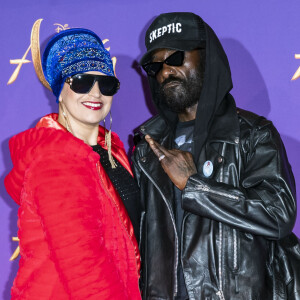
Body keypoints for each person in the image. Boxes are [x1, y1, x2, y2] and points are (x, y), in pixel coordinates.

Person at [132, 12, 298, 300]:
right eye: (155, 65)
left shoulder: (251, 134)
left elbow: (278, 214)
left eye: (175, 58)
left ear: (208, 58)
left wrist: (195, 186)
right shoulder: (146, 147)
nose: (165, 72)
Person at [5, 27, 141, 299]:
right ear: (59, 91)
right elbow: (86, 270)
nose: (95, 93)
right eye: (81, 81)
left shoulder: (113, 153)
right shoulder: (55, 159)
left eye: (106, 84)